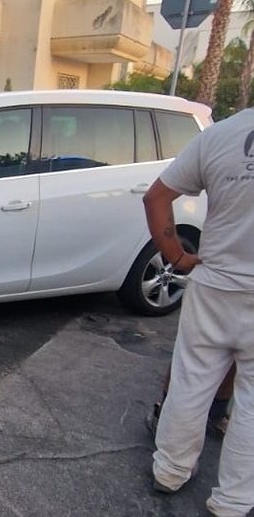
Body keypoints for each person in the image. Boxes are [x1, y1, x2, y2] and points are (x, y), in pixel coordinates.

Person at [142, 106, 254, 517]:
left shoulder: (220, 135)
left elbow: (156, 197)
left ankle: (169, 471)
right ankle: (234, 502)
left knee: (191, 382)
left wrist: (176, 256)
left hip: (216, 283)